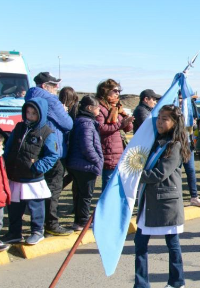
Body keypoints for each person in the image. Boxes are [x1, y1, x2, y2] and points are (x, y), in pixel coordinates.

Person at [120, 105, 190, 288]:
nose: (160, 122)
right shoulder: (154, 142)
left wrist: (133, 176)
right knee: (140, 243)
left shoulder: (174, 145)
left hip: (167, 202)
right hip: (148, 201)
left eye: (165, 119)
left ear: (175, 123)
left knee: (172, 244)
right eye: (159, 118)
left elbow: (160, 174)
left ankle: (177, 281)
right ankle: (141, 286)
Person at [2, 99, 58, 245]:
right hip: (15, 175)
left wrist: (37, 167)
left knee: (36, 206)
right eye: (28, 112)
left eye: (34, 113)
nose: (30, 116)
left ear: (41, 114)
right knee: (14, 207)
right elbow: (9, 147)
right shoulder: (19, 127)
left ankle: (37, 231)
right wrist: (5, 161)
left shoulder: (47, 132)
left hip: (33, 178)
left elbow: (52, 155)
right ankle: (14, 232)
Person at [25, 72, 73, 236]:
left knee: (38, 187)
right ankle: (51, 223)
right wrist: (64, 111)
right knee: (53, 187)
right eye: (53, 85)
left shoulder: (30, 97)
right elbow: (67, 124)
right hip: (53, 149)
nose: (56, 88)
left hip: (36, 149)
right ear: (45, 86)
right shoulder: (51, 100)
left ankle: (38, 223)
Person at [66, 96, 104, 230]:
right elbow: (87, 146)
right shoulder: (87, 123)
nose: (99, 110)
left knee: (80, 194)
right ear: (89, 108)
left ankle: (79, 220)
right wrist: (97, 160)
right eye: (97, 107)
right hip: (84, 165)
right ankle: (82, 221)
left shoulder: (80, 121)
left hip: (77, 164)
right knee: (85, 195)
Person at [96, 79, 134, 190]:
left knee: (116, 182)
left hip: (118, 148)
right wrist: (120, 124)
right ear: (105, 91)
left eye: (119, 91)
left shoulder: (117, 108)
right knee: (108, 181)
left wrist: (128, 122)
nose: (118, 93)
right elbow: (101, 128)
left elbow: (127, 128)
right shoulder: (100, 108)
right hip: (107, 148)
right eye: (115, 90)